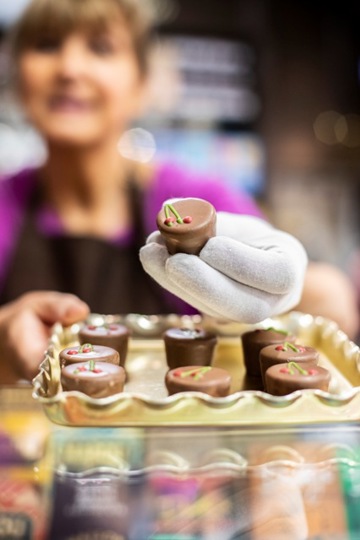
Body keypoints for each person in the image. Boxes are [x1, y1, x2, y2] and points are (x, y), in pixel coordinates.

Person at [0, 0, 357, 384]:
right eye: (47, 45)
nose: (70, 69)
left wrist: (298, 288)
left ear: (141, 82)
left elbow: (331, 305)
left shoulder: (191, 199)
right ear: (17, 74)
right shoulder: (7, 205)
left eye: (101, 48)